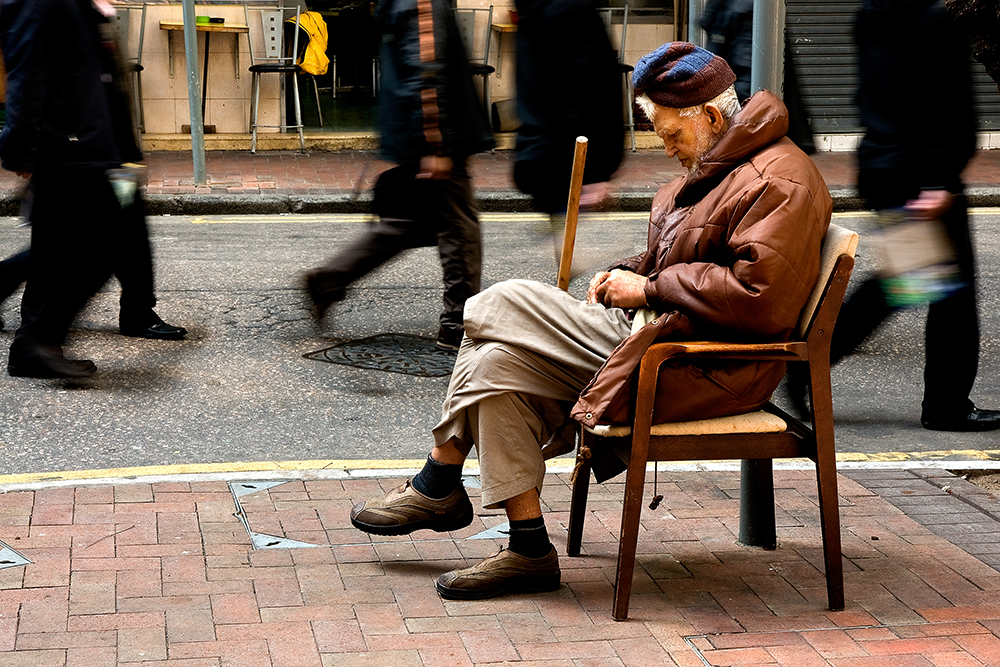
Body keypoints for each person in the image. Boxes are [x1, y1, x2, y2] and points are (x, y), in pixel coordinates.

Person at [349, 43, 833, 601]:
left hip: (698, 360)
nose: (667, 147)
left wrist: (647, 287)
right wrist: (625, 271)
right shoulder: (727, 163)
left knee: (494, 307)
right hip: (664, 335)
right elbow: (687, 253)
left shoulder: (778, 179)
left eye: (671, 134)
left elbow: (759, 295)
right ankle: (528, 548)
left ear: (711, 116)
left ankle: (439, 477)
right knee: (495, 367)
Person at [789, 0, 1000, 432]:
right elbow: (949, 101)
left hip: (886, 168)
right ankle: (945, 405)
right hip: (924, 174)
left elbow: (878, 93)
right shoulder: (932, 18)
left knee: (910, 281)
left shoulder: (872, 14)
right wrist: (942, 178)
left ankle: (811, 356)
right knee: (950, 296)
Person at [0, 0, 186, 379]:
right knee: (93, 247)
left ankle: (36, 343)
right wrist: (20, 147)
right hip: (67, 148)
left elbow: (100, 75)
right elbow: (27, 71)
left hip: (93, 147)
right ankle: (35, 342)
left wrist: (125, 151)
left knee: (70, 248)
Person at [303, 0, 494, 351]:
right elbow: (426, 65)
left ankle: (328, 280)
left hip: (411, 134)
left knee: (405, 223)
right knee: (460, 229)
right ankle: (457, 326)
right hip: (433, 140)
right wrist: (435, 142)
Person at [511, 0, 624, 218]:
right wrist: (593, 172)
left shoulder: (533, 9)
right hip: (569, 161)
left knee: (565, 244)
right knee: (573, 246)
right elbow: (587, 90)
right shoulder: (570, 7)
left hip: (542, 152)